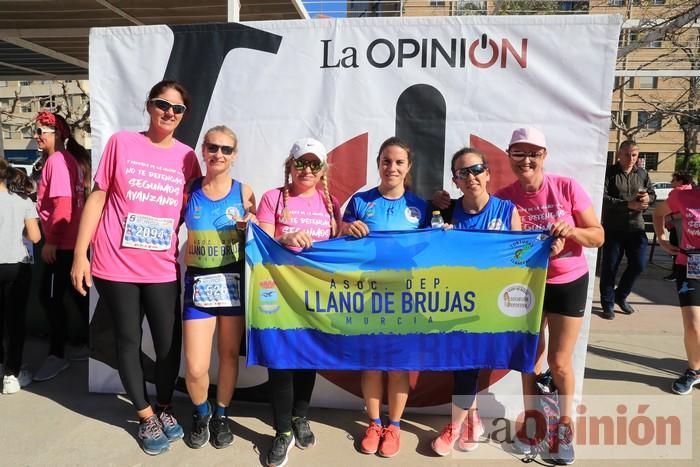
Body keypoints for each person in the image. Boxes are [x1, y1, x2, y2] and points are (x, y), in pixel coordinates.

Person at [70, 80, 201, 455]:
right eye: (163, 104)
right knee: (128, 340)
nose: (170, 113)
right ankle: (144, 417)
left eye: (178, 109)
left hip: (160, 266)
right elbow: (98, 197)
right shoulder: (121, 143)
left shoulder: (187, 157)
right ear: (149, 106)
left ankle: (164, 407)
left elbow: (196, 207)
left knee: (167, 345)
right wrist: (82, 253)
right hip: (115, 263)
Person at [496, 128, 604, 465]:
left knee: (559, 362)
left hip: (568, 280)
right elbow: (500, 247)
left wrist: (570, 232)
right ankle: (534, 424)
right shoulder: (504, 197)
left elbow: (598, 235)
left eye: (533, 153)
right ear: (509, 155)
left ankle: (565, 428)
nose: (526, 160)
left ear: (544, 155)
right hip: (529, 284)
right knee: (530, 359)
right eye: (518, 153)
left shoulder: (566, 187)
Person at [429, 147, 521, 456]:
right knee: (464, 365)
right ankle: (470, 421)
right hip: (456, 303)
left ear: (488, 173)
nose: (471, 177)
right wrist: (437, 219)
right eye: (462, 173)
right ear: (455, 181)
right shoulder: (447, 212)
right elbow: (429, 252)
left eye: (476, 169)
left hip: (493, 305)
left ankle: (459, 424)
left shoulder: (507, 211)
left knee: (471, 365)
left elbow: (520, 261)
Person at [341, 136, 428, 458]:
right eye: (386, 161)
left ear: (408, 167)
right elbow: (341, 239)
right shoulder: (361, 201)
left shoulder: (421, 206)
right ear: (378, 163)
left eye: (399, 162)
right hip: (368, 296)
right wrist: (347, 229)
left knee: (398, 367)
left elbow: (433, 248)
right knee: (373, 365)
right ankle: (374, 423)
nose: (392, 167)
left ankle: (394, 426)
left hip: (405, 298)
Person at [257, 137, 340, 467]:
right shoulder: (272, 198)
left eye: (314, 164)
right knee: (280, 363)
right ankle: (281, 431)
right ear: (289, 165)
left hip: (315, 297)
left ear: (323, 170)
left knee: (307, 360)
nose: (307, 169)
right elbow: (259, 243)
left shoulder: (330, 202)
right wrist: (284, 238)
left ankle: (299, 417)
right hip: (277, 296)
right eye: (301, 162)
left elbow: (338, 252)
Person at [182, 125, 256, 449]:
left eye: (226, 149)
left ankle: (222, 413)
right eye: (213, 147)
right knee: (197, 366)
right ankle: (201, 411)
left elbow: (259, 233)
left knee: (227, 356)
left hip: (232, 284)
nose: (219, 154)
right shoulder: (190, 189)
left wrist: (248, 226)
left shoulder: (243, 192)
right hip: (198, 284)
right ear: (203, 149)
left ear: (234, 155)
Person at [33, 111, 91, 381]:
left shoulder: (57, 161)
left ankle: (57, 354)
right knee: (79, 297)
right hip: (71, 242)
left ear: (57, 134)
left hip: (63, 243)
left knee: (52, 297)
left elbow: (63, 206)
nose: (36, 136)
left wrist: (51, 242)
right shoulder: (69, 160)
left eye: (41, 131)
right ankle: (89, 345)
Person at [599, 141, 655, 320]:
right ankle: (607, 304)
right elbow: (602, 197)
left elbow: (652, 193)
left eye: (634, 155)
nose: (631, 158)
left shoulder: (642, 173)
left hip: (636, 227)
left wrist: (648, 198)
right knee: (610, 267)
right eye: (627, 154)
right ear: (618, 154)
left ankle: (620, 295)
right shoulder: (609, 173)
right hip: (613, 227)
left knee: (639, 264)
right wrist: (626, 204)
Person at [653, 187, 700, 395]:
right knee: (693, 324)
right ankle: (694, 371)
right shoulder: (683, 196)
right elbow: (658, 212)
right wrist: (662, 239)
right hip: (690, 266)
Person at [0, 160, 41, 393]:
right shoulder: (23, 202)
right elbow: (35, 237)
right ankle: (11, 374)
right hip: (16, 264)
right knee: (15, 321)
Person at [663, 172, 693, 282]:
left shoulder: (680, 192)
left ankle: (677, 273)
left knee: (678, 248)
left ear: (680, 181)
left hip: (680, 224)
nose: (671, 182)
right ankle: (679, 272)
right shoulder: (690, 191)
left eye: (673, 180)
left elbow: (685, 211)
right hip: (684, 225)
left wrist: (670, 217)